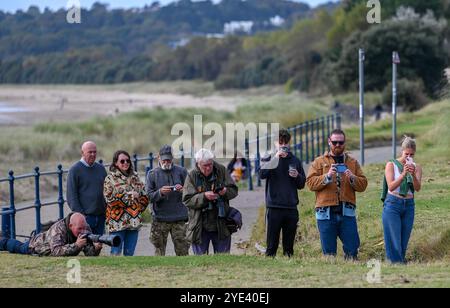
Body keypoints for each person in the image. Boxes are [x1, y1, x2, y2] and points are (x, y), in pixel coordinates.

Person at [306, 129, 368, 260]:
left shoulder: (352, 162)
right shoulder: (318, 162)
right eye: (335, 142)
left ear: (345, 143)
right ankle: (332, 278)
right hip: (325, 212)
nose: (338, 145)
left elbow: (363, 185)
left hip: (347, 212)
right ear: (329, 142)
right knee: (329, 254)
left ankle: (351, 277)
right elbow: (310, 183)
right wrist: (327, 177)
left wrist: (352, 177)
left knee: (352, 249)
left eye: (341, 142)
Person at [258, 128, 306, 257]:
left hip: (291, 207)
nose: (283, 145)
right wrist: (275, 158)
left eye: (285, 143)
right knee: (271, 247)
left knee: (289, 248)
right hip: (274, 207)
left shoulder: (294, 160)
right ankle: (269, 271)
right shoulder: (268, 158)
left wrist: (297, 176)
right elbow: (261, 174)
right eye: (280, 143)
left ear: (289, 143)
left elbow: (302, 184)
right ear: (274, 143)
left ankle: (289, 271)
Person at [182, 149, 238, 255]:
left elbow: (234, 190)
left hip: (221, 223)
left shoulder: (221, 170)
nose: (208, 168)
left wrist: (225, 191)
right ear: (198, 164)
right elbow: (187, 200)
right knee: (200, 261)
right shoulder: (192, 175)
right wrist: (204, 196)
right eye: (205, 165)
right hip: (199, 225)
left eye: (210, 164)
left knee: (224, 259)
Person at [382, 136, 422, 263]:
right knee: (394, 237)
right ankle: (397, 264)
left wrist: (413, 175)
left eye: (411, 155)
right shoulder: (391, 164)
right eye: (406, 154)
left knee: (404, 238)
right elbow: (391, 186)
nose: (408, 157)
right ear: (402, 151)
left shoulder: (417, 167)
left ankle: (398, 263)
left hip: (409, 204)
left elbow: (417, 188)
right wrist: (403, 174)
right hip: (393, 203)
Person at [146, 145, 190, 256]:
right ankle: (159, 272)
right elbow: (149, 196)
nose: (166, 162)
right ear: (158, 158)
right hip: (160, 219)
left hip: (179, 218)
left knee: (183, 252)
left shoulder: (182, 171)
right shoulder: (152, 174)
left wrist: (182, 190)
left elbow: (191, 192)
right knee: (159, 253)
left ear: (173, 158)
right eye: (164, 159)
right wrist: (160, 192)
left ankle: (186, 271)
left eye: (169, 159)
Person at [103, 150, 149, 256]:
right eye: (122, 161)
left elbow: (145, 197)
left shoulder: (135, 177)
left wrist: (137, 207)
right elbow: (109, 199)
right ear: (115, 163)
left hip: (134, 222)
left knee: (130, 254)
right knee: (115, 253)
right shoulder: (110, 179)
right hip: (116, 224)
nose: (125, 163)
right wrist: (130, 197)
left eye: (127, 160)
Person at [0, 213, 102, 257]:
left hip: (51, 244)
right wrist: (76, 245)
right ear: (70, 226)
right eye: (80, 229)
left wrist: (96, 249)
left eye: (84, 228)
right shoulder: (58, 229)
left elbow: (89, 254)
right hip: (36, 246)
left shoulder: (84, 226)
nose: (83, 231)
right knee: (18, 247)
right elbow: (56, 251)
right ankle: (2, 242)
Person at [67, 141, 107, 235]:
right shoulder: (75, 170)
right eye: (90, 152)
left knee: (98, 246)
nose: (93, 154)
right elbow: (71, 197)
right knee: (86, 246)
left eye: (95, 152)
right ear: (82, 153)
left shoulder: (101, 169)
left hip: (101, 216)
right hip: (86, 217)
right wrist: (82, 216)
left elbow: (107, 190)